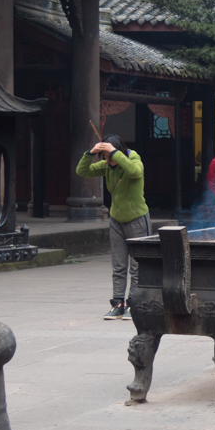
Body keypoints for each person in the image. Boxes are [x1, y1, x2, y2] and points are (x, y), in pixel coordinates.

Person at [77, 134, 149, 321]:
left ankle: (134, 303)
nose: (108, 160)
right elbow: (82, 171)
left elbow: (135, 172)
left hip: (136, 218)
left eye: (109, 156)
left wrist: (115, 153)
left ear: (118, 150)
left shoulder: (133, 158)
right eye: (105, 157)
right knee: (118, 265)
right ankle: (118, 304)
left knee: (137, 265)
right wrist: (90, 153)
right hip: (116, 219)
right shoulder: (107, 165)